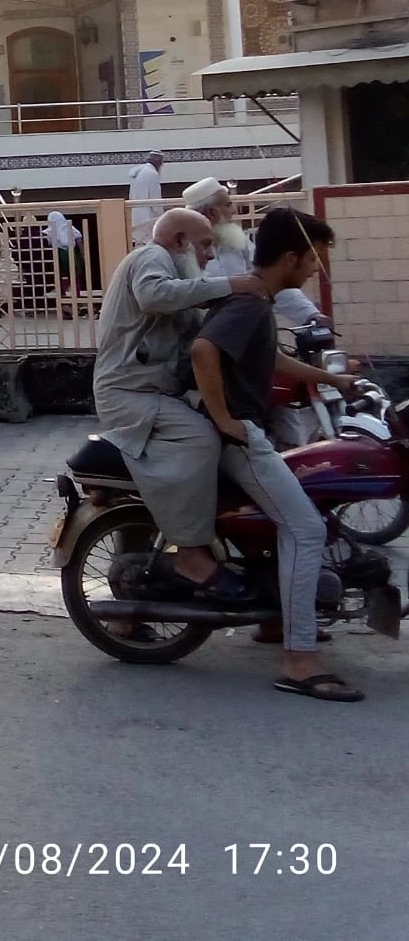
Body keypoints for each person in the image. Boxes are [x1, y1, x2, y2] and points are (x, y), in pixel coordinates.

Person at [190, 207, 364, 701]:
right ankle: (299, 659)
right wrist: (226, 420)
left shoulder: (255, 300)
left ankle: (274, 622)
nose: (314, 269)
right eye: (313, 259)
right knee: (305, 528)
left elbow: (271, 356)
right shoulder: (249, 304)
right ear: (290, 257)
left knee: (290, 516)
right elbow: (204, 351)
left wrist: (332, 379)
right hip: (241, 439)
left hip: (244, 431)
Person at [93, 207, 266, 602]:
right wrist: (230, 285)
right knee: (202, 437)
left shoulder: (180, 278)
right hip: (130, 395)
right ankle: (190, 552)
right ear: (179, 242)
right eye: (204, 245)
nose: (209, 255)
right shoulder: (151, 258)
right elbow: (154, 295)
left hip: (153, 394)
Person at [181, 178, 253, 277]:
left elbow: (257, 270)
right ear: (212, 212)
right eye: (228, 205)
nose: (233, 211)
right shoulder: (185, 250)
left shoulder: (237, 237)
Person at [128, 149, 166, 246]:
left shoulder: (138, 173)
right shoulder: (152, 174)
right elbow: (155, 202)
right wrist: (162, 218)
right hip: (148, 217)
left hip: (136, 216)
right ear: (159, 162)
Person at [43, 210, 83, 297]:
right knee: (75, 277)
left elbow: (48, 244)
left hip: (59, 255)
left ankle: (62, 297)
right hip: (72, 254)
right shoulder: (70, 228)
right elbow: (79, 240)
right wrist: (83, 256)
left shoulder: (49, 232)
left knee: (60, 277)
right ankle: (76, 297)